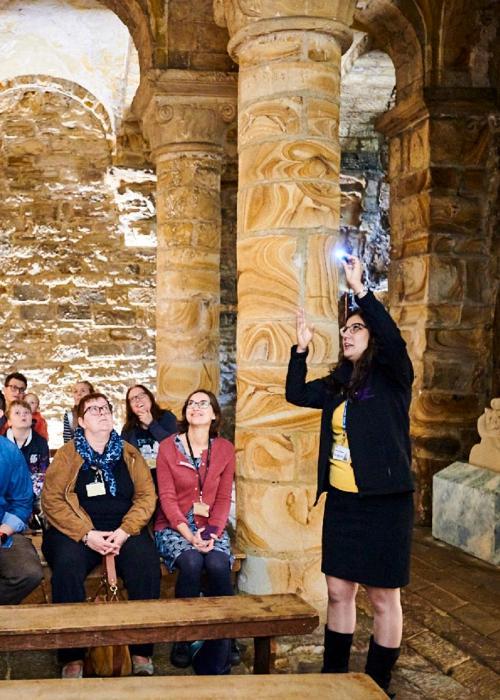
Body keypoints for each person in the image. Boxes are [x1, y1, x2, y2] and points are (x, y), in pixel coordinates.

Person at [285, 256, 414, 698]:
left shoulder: (394, 375)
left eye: (355, 328)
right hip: (343, 503)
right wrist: (300, 349)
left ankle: (378, 685)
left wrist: (360, 291)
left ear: (373, 337)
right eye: (344, 330)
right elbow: (296, 393)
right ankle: (334, 678)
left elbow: (394, 339)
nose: (346, 334)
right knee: (339, 592)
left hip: (385, 502)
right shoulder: (340, 383)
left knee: (383, 597)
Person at [42, 392, 161, 679]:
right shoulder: (68, 455)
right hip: (78, 529)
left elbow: (146, 497)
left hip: (123, 528)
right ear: (81, 421)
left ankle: (141, 651)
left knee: (146, 564)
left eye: (106, 408)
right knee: (66, 569)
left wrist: (124, 531)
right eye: (93, 409)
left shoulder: (129, 453)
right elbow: (52, 500)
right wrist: (86, 535)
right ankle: (72, 655)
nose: (102, 412)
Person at [154, 389, 235, 669]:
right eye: (191, 403)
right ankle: (184, 637)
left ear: (214, 414)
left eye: (203, 404)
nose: (196, 407)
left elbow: (224, 497)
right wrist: (189, 535)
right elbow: (167, 498)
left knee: (217, 563)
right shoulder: (168, 447)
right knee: (189, 562)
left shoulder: (224, 449)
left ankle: (228, 635)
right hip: (174, 525)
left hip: (211, 525)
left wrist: (211, 534)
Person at [0, 401, 44, 604]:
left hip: (2, 529)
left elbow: (22, 501)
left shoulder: (9, 452)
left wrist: (4, 531)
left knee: (29, 572)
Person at [5, 399, 50, 530]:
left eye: (26, 412)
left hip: (33, 493)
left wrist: (28, 498)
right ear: (9, 421)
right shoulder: (2, 443)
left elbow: (42, 474)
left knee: (47, 503)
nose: (23, 415)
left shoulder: (40, 443)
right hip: (7, 493)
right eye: (17, 413)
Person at [122, 384, 176, 466]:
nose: (137, 400)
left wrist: (151, 424)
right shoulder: (128, 428)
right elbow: (124, 458)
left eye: (141, 395)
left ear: (150, 397)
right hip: (143, 477)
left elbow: (176, 447)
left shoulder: (166, 417)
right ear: (130, 407)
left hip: (168, 474)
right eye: (132, 399)